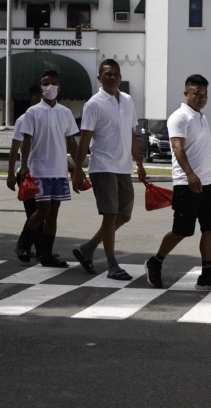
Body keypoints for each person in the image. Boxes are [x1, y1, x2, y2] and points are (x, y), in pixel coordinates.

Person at [144, 74, 211, 291]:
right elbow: (178, 148)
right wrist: (191, 175)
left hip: (208, 184)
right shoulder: (179, 117)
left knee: (210, 228)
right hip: (186, 183)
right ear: (186, 94)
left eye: (204, 94)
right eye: (197, 94)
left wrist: (205, 178)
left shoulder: (201, 117)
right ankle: (155, 261)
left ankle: (207, 275)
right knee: (181, 230)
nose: (201, 98)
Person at [70, 59, 147, 279]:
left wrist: (139, 163)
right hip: (102, 166)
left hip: (123, 167)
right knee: (110, 214)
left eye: (116, 74)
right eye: (108, 74)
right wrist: (77, 171)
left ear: (121, 77)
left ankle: (88, 249)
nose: (112, 77)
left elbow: (131, 134)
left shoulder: (128, 100)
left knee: (124, 214)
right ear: (99, 78)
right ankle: (112, 265)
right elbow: (84, 139)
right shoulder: (93, 104)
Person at [16, 69, 79, 267]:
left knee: (54, 212)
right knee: (43, 210)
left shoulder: (65, 112)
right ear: (41, 87)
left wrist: (78, 167)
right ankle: (23, 243)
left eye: (53, 83)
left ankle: (46, 254)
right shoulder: (32, 112)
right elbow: (26, 141)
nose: (49, 87)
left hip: (59, 171)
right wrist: (24, 165)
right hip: (40, 169)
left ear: (59, 88)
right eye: (45, 83)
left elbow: (72, 142)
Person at [6, 84, 44, 261]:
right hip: (27, 173)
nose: (40, 99)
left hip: (44, 172)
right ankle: (23, 247)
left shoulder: (47, 117)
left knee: (40, 213)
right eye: (37, 96)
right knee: (34, 213)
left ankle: (32, 248)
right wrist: (11, 173)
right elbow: (15, 147)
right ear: (33, 98)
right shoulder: (24, 119)